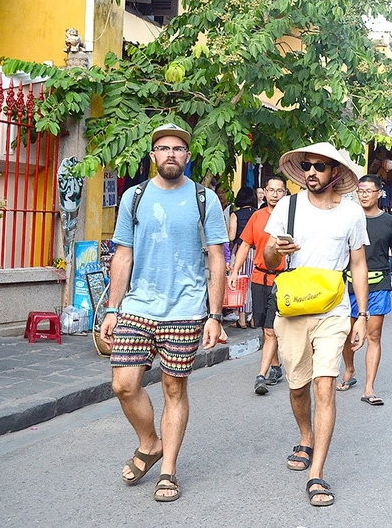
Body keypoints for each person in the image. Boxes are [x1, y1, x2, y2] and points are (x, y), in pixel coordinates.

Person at [100, 123, 228, 502]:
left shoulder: (205, 199)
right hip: (138, 305)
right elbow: (123, 253)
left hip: (186, 308)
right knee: (123, 384)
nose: (171, 154)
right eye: (163, 148)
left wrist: (215, 315)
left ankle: (168, 469)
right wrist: (111, 309)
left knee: (175, 388)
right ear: (152, 155)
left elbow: (217, 258)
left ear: (187, 157)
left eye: (178, 148)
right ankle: (150, 441)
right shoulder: (133, 198)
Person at [263, 141, 369, 507]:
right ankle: (305, 435)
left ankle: (317, 473)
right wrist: (278, 250)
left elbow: (358, 264)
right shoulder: (287, 207)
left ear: (334, 173)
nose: (312, 172)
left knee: (324, 386)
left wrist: (361, 315)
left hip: (334, 307)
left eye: (320, 167)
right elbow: (267, 255)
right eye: (307, 166)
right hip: (292, 307)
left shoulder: (352, 213)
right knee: (297, 387)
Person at [338, 174, 392, 406]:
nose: (364, 194)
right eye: (360, 190)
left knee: (373, 335)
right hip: (348, 285)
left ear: (379, 193)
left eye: (369, 191)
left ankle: (369, 388)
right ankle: (349, 369)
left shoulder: (389, 222)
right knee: (349, 335)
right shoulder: (348, 217)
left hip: (378, 285)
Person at [228, 176, 287, 395]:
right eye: (270, 190)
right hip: (258, 278)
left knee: (271, 329)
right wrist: (234, 271)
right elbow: (244, 245)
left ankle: (261, 376)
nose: (274, 194)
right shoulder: (256, 216)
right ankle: (276, 366)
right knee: (264, 326)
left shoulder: (290, 218)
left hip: (282, 279)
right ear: (265, 192)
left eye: (278, 191)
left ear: (285, 194)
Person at [227, 186, 257, 328]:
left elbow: (231, 236)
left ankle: (242, 319)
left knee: (241, 283)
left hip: (241, 250)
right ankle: (254, 318)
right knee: (253, 283)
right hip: (256, 252)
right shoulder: (259, 214)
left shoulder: (236, 215)